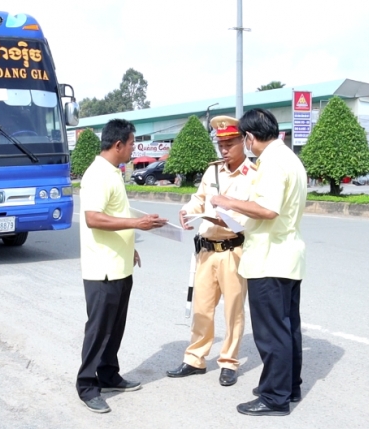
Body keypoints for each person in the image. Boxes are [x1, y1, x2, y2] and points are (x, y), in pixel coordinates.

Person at [210, 108, 307, 417]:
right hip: (287, 254)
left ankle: (275, 397)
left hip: (269, 257)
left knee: (271, 332)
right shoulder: (290, 157)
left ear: (249, 137)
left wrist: (226, 201)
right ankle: (288, 386)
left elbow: (267, 209)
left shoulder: (273, 163)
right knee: (287, 327)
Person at [76, 118, 168, 414]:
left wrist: (130, 248)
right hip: (102, 268)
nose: (133, 148)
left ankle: (108, 374)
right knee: (99, 329)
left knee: (115, 328)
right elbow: (94, 218)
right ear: (118, 145)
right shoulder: (97, 175)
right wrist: (136, 223)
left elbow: (114, 213)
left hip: (119, 264)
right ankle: (87, 385)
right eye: (131, 143)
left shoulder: (112, 172)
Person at [166, 115, 256, 387]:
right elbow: (198, 200)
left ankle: (229, 361)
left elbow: (251, 215)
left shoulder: (254, 176)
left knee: (233, 311)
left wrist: (224, 218)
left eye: (230, 143)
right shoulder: (212, 171)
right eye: (220, 144)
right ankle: (195, 358)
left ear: (243, 141)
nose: (224, 149)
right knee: (202, 308)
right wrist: (186, 211)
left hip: (233, 250)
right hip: (206, 250)